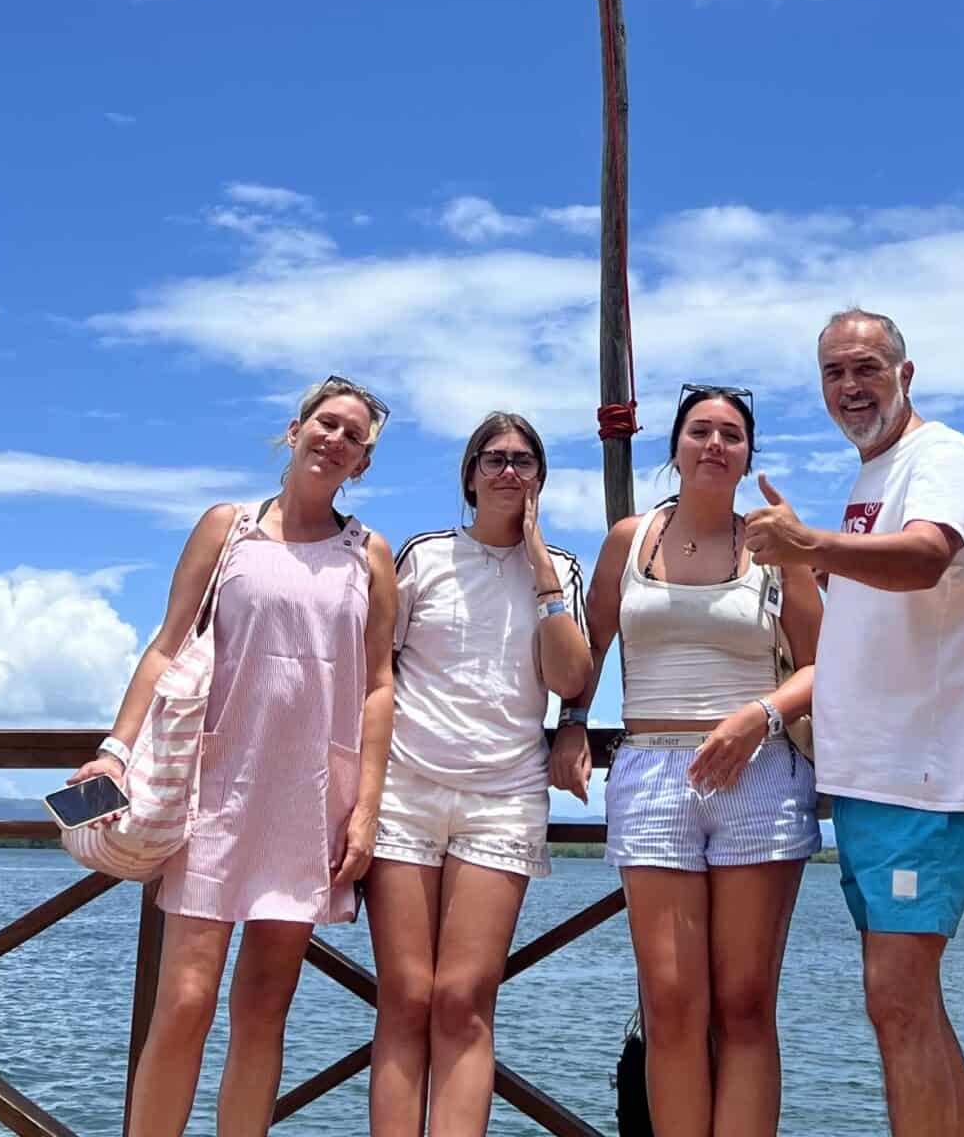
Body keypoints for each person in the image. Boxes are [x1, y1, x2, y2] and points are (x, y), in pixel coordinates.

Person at [68, 375, 398, 1137]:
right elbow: (166, 645)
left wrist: (367, 807)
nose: (335, 440)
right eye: (327, 423)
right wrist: (115, 754)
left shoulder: (369, 553)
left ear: (363, 465)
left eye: (354, 436)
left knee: (262, 1012)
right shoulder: (229, 527)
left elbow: (379, 687)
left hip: (311, 791)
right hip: (214, 783)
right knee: (183, 1001)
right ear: (294, 430)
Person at [744, 311, 964, 1137]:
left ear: (906, 373)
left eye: (866, 368)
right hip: (874, 782)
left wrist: (809, 544)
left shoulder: (940, 458)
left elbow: (928, 554)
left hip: (923, 778)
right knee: (901, 1000)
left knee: (898, 997)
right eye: (833, 373)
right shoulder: (874, 479)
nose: (850, 387)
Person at [553, 385, 822, 1137]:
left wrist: (758, 715)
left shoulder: (775, 542)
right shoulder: (630, 539)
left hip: (760, 774)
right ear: (673, 448)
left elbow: (822, 662)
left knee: (743, 1006)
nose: (713, 444)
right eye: (699, 430)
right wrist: (573, 722)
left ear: (747, 454)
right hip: (650, 775)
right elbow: (593, 647)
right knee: (671, 1004)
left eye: (730, 434)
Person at [366, 411, 593, 1136]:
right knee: (405, 993)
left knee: (463, 997)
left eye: (524, 461)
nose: (508, 472)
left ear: (541, 478)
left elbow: (571, 678)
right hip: (406, 790)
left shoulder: (560, 568)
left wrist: (541, 574)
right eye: (493, 459)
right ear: (468, 475)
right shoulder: (424, 556)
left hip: (503, 797)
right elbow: (378, 671)